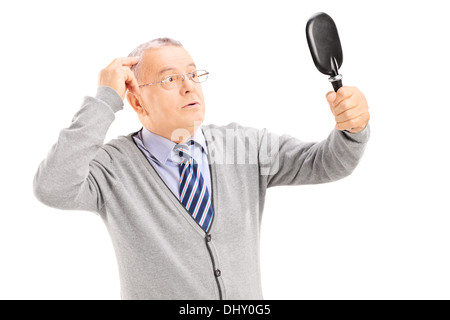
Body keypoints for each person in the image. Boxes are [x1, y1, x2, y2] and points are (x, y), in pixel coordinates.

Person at [33, 37, 370, 300]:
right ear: (136, 101)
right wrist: (105, 100)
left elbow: (327, 163)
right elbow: (53, 187)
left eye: (193, 75)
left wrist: (352, 128)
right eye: (169, 79)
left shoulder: (245, 146)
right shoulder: (114, 167)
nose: (189, 86)